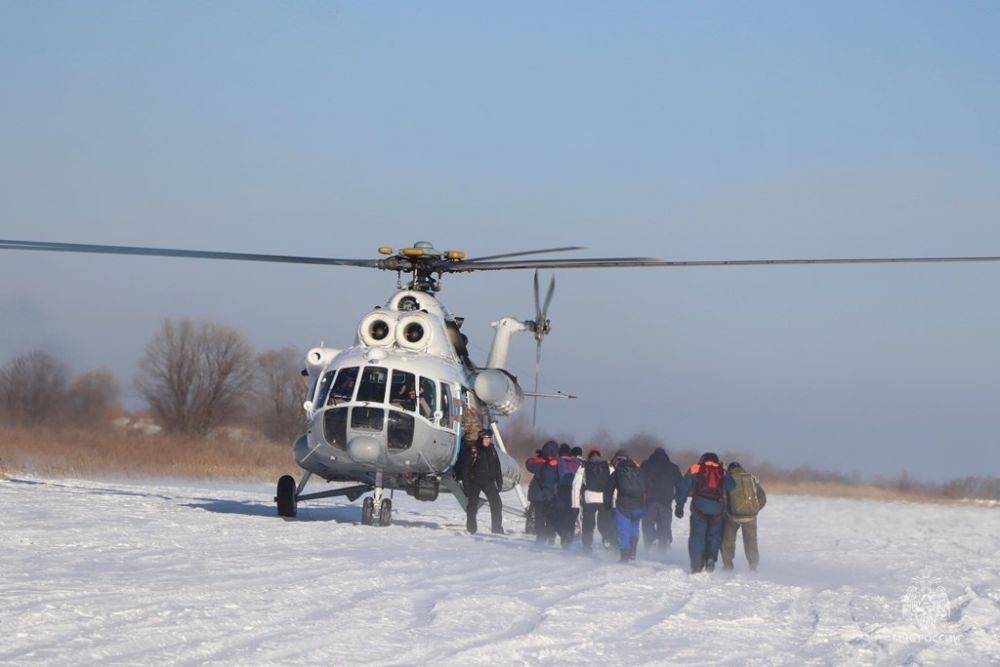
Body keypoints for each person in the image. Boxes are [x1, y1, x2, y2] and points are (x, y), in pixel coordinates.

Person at [674, 452, 736, 573]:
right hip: (717, 508)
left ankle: (696, 565)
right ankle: (711, 558)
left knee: (697, 536)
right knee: (714, 535)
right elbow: (732, 485)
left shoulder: (695, 468)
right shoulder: (721, 470)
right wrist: (725, 470)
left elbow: (682, 487)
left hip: (699, 507)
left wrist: (679, 506)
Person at [721, 461, 767, 571]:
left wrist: (729, 511)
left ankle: (728, 565)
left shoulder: (728, 480)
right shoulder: (751, 479)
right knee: (751, 541)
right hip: (751, 516)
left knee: (728, 540)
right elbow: (762, 498)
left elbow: (724, 499)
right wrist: (754, 509)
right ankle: (753, 566)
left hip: (733, 516)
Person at [603, 451, 646, 562]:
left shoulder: (617, 472)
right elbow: (648, 488)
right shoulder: (640, 471)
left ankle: (624, 556)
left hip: (623, 505)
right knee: (634, 527)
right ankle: (633, 552)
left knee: (623, 530)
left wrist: (607, 504)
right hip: (639, 505)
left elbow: (608, 490)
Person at [572, 448, 614, 552]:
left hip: (589, 498)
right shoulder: (608, 467)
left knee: (588, 523)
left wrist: (575, 505)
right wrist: (614, 501)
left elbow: (575, 486)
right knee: (604, 521)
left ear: (589, 456)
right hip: (604, 498)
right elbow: (614, 484)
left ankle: (587, 546)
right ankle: (607, 540)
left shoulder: (584, 466)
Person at [462, 430, 504, 534]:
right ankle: (471, 528)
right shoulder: (473, 449)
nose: (487, 441)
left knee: (497, 503)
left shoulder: (492, 450)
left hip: (488, 481)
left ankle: (497, 528)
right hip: (475, 481)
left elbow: (497, 466)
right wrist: (466, 486)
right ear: (481, 439)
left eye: (489, 438)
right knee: (473, 504)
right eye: (485, 438)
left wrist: (499, 481)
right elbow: (465, 469)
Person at [641, 448, 682, 552]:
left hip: (650, 500)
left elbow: (639, 480)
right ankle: (663, 549)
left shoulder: (646, 465)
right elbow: (680, 485)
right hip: (666, 501)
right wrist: (679, 501)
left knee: (648, 523)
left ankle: (651, 542)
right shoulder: (673, 467)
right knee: (665, 526)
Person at [526, 441, 560, 544]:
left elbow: (528, 463)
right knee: (550, 516)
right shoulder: (556, 463)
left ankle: (540, 538)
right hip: (550, 495)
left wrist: (540, 455)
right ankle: (551, 536)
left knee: (539, 517)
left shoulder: (538, 462)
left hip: (537, 495)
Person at [554, 445, 583, 549]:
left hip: (562, 491)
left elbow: (554, 477)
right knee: (570, 517)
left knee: (559, 516)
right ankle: (568, 539)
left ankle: (564, 536)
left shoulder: (558, 462)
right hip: (574, 493)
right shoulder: (577, 463)